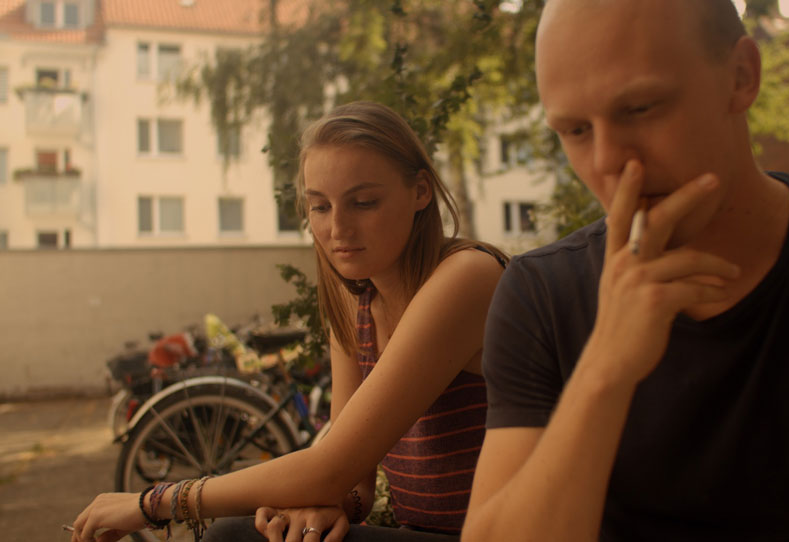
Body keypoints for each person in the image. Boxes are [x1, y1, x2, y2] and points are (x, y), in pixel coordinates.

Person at [460, 0, 789, 540]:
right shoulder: (542, 296)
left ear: (741, 77)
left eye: (639, 108)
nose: (606, 161)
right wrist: (604, 370)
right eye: (574, 130)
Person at [70, 101, 506, 542]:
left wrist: (157, 502)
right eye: (320, 207)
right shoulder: (354, 302)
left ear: (421, 192)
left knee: (232, 538)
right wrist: (317, 507)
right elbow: (352, 484)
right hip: (424, 531)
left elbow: (331, 468)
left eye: (364, 202)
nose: (338, 228)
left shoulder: (467, 277)